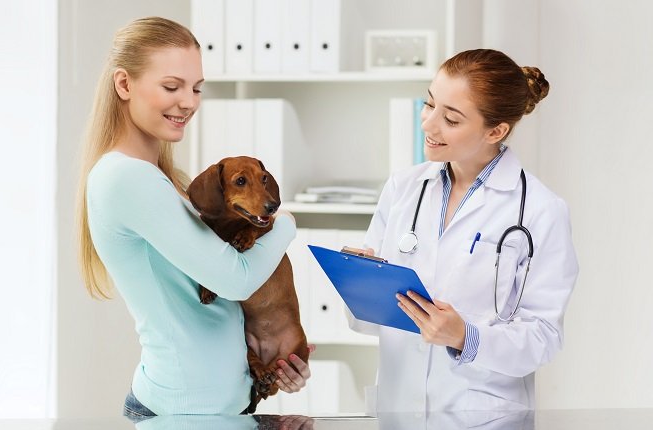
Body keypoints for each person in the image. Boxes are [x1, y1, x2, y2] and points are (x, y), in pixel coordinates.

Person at [75, 17, 311, 419]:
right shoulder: (126, 177)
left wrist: (270, 359)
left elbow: (208, 303)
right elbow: (234, 279)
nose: (188, 101)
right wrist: (285, 222)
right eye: (172, 86)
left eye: (196, 88)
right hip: (181, 413)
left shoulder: (164, 180)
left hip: (218, 409)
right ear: (124, 85)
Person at [348, 49, 579, 412]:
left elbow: (543, 337)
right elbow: (372, 321)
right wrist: (360, 284)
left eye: (451, 119)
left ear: (496, 130)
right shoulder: (403, 188)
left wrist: (465, 337)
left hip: (482, 417)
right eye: (429, 104)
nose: (428, 124)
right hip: (400, 411)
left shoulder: (539, 210)